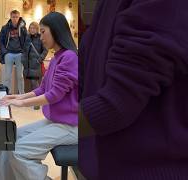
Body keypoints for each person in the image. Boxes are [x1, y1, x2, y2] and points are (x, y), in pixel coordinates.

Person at [79, 0, 188, 179]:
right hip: (105, 164)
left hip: (152, 169)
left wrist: (65, 120)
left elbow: (114, 105)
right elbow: (87, 76)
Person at [0, 12, 78, 180]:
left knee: (19, 152)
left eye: (43, 32)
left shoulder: (69, 57)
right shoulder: (57, 57)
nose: (40, 37)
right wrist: (17, 98)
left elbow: (54, 95)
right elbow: (43, 89)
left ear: (55, 31)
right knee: (9, 140)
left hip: (71, 126)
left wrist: (21, 104)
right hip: (57, 121)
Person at [0, 10, 27, 94]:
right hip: (9, 53)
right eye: (13, 17)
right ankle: (6, 94)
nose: (15, 19)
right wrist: (5, 52)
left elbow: (26, 40)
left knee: (20, 76)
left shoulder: (23, 28)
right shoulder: (5, 28)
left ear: (19, 17)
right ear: (10, 17)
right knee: (7, 76)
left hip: (19, 54)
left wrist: (23, 51)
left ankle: (22, 94)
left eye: (16, 17)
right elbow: (0, 40)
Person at [22, 22, 48, 110]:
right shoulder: (27, 37)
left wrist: (40, 59)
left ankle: (37, 103)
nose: (32, 29)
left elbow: (45, 50)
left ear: (37, 29)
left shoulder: (41, 38)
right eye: (31, 28)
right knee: (28, 84)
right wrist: (23, 60)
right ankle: (30, 102)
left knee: (35, 84)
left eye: (34, 28)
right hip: (27, 65)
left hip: (36, 64)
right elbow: (24, 50)